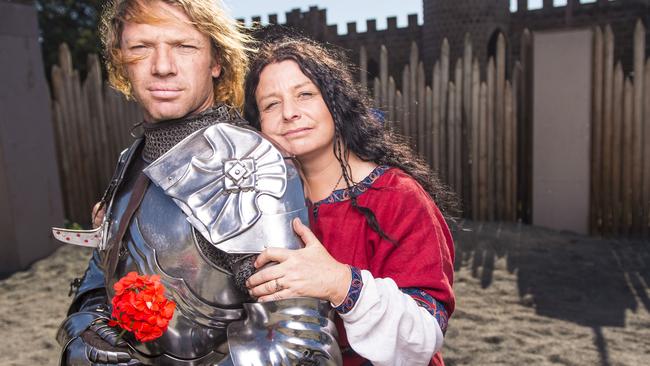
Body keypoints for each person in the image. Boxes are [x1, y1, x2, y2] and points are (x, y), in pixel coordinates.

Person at [55, 1, 341, 365]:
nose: (161, 67)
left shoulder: (250, 164)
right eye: (141, 48)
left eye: (183, 46)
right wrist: (85, 337)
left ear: (216, 61)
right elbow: (99, 278)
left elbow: (300, 343)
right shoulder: (131, 160)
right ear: (121, 60)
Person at [243, 35, 457, 366]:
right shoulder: (259, 206)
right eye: (271, 104)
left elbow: (424, 337)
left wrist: (341, 284)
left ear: (334, 101)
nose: (289, 113)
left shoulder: (398, 196)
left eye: (305, 95)